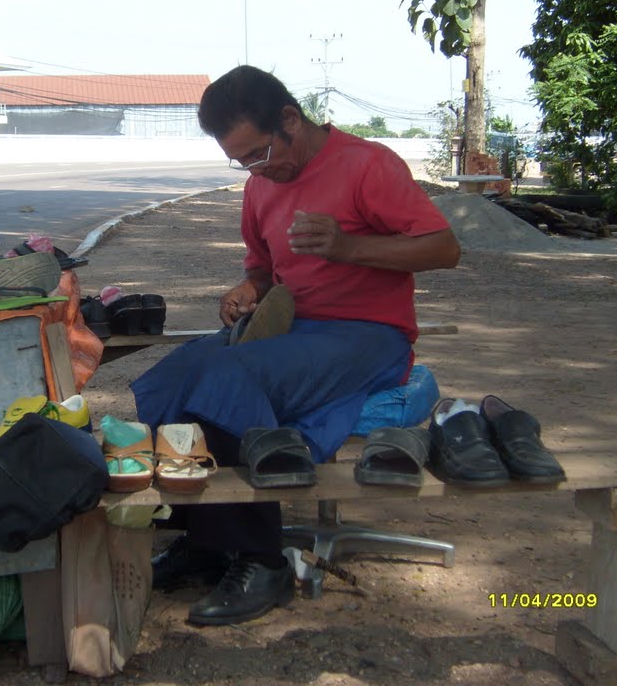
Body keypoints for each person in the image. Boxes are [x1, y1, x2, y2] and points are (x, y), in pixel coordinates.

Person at [130, 65, 460, 626]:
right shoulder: (261, 186)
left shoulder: (367, 165)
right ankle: (205, 537)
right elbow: (262, 270)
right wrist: (246, 290)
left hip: (368, 336)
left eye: (259, 153)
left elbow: (444, 248)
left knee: (230, 378)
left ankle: (262, 559)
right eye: (240, 162)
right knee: (175, 373)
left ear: (290, 119)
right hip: (292, 331)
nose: (256, 170)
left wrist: (349, 247)